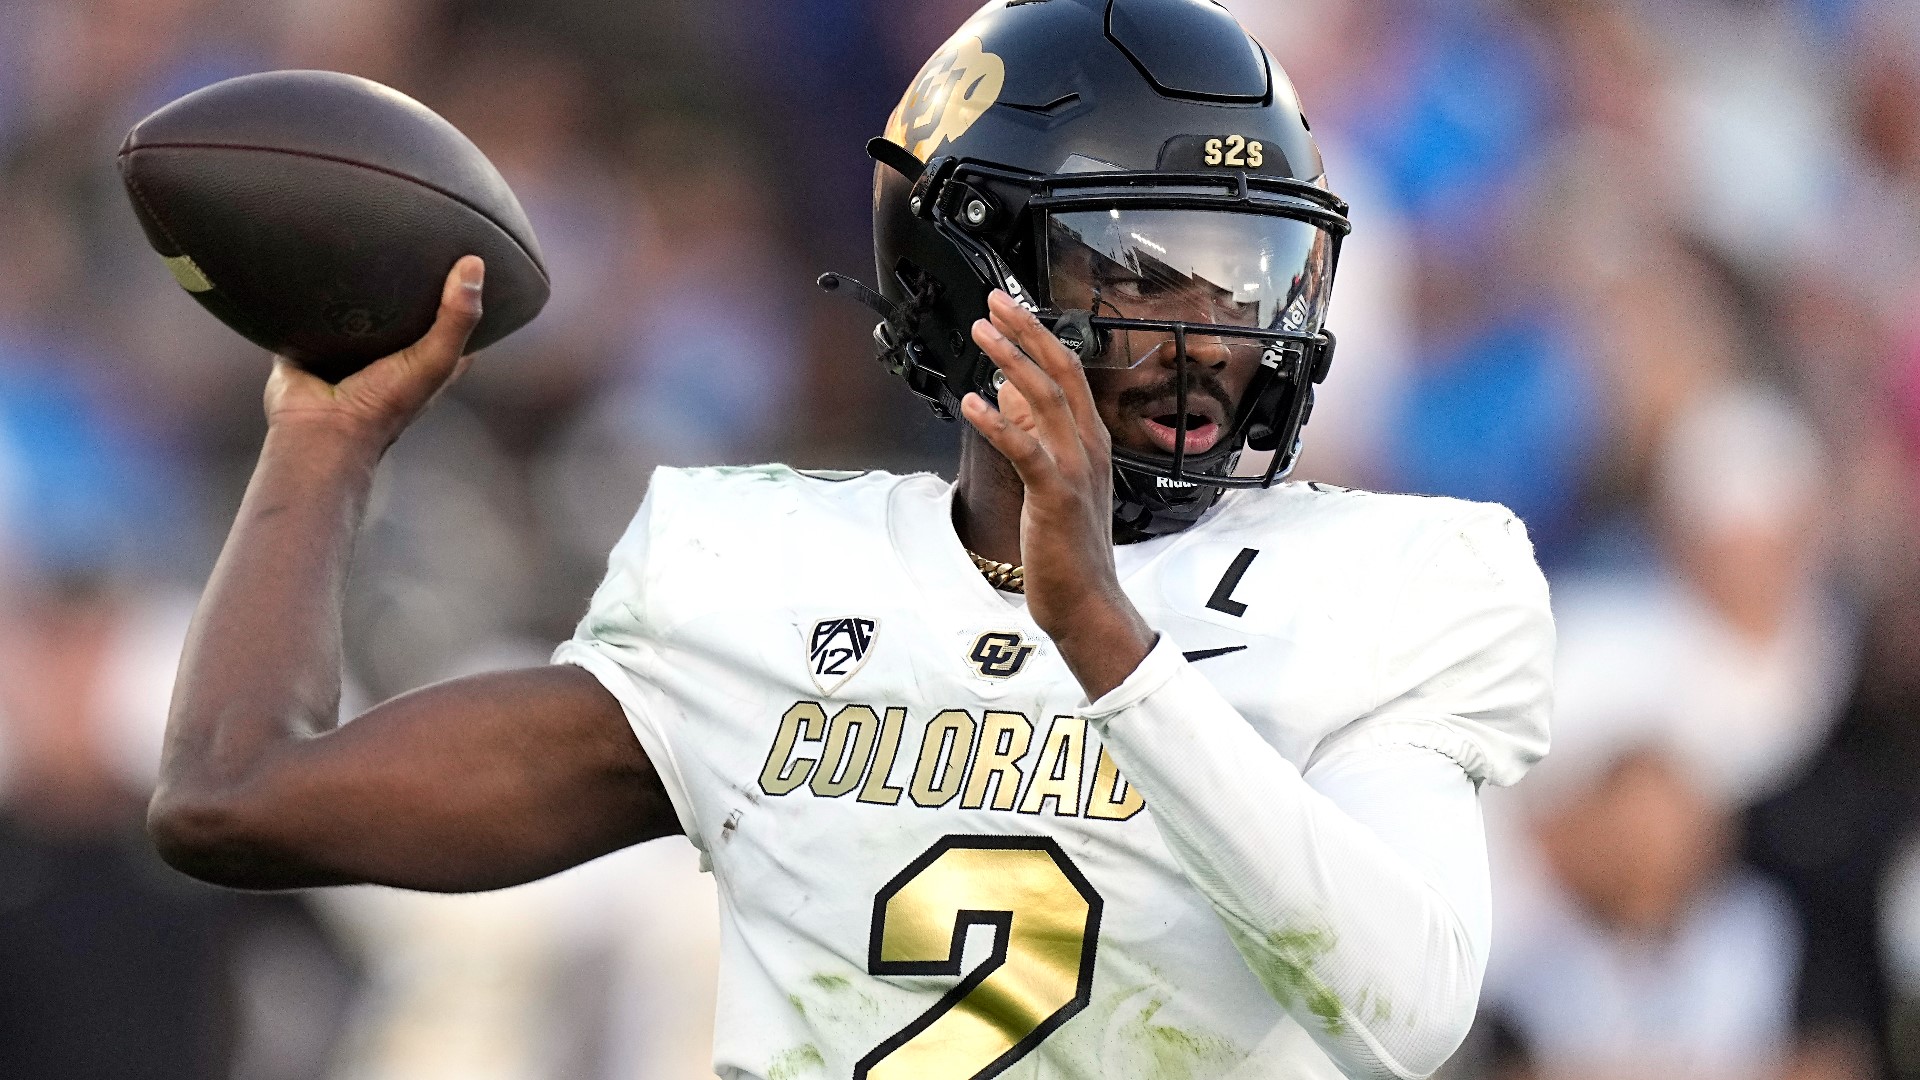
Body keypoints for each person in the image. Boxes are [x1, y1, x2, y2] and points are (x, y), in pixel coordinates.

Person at [148, 3, 1553, 1078]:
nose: (1213, 340)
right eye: (1143, 273)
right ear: (967, 279)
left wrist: (1107, 643)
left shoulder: (1385, 588)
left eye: (1247, 277)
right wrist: (324, 439)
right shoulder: (766, 582)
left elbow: (1408, 1009)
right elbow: (239, 796)